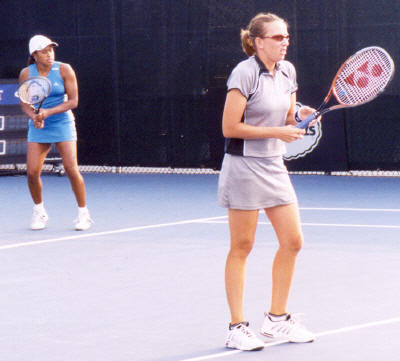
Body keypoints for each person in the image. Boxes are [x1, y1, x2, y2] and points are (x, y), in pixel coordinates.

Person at [218, 13, 320, 351]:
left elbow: (288, 117)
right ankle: (236, 327)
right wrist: (277, 131)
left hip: (274, 165)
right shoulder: (244, 73)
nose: (284, 42)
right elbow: (230, 127)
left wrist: (301, 117)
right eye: (277, 37)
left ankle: (277, 320)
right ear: (258, 42)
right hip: (244, 166)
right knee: (242, 246)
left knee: (293, 241)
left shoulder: (288, 71)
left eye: (286, 36)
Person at [19, 34, 93, 231]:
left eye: (51, 50)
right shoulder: (26, 74)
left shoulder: (64, 69)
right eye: (44, 51)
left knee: (71, 168)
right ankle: (39, 211)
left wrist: (48, 112)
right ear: (34, 55)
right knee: (32, 172)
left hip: (62, 122)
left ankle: (83, 214)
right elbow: (25, 104)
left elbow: (73, 101)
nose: (49, 54)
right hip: (40, 126)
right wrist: (34, 117)